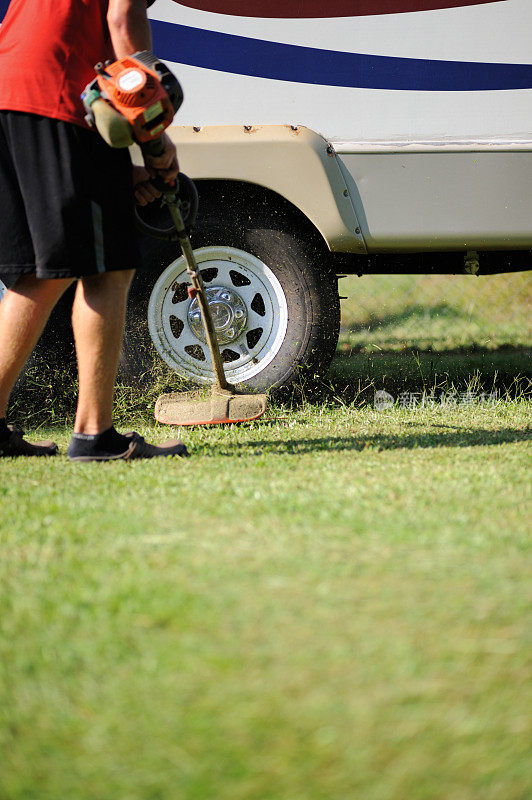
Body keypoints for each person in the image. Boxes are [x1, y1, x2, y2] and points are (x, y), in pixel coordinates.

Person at [0, 0, 188, 460]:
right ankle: (93, 433)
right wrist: (155, 143)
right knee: (107, 269)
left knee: (45, 269)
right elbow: (123, 20)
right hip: (62, 95)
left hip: (11, 90)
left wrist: (125, 170)